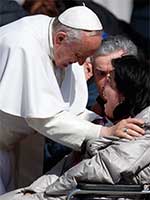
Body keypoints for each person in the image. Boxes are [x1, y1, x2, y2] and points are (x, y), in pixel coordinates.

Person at [0, 6, 144, 194]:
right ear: (60, 38)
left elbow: (70, 111)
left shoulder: (63, 41)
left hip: (15, 146)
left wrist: (107, 125)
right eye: (78, 56)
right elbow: (45, 117)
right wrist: (103, 131)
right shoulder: (22, 45)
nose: (80, 64)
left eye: (85, 58)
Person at [2, 55, 149, 200]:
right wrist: (34, 191)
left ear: (123, 95)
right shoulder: (119, 124)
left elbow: (99, 169)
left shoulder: (141, 130)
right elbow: (66, 167)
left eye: (109, 82)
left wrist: (46, 193)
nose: (102, 88)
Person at [91, 35, 139, 116]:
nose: (108, 81)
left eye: (115, 73)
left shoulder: (144, 113)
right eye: (101, 73)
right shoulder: (93, 113)